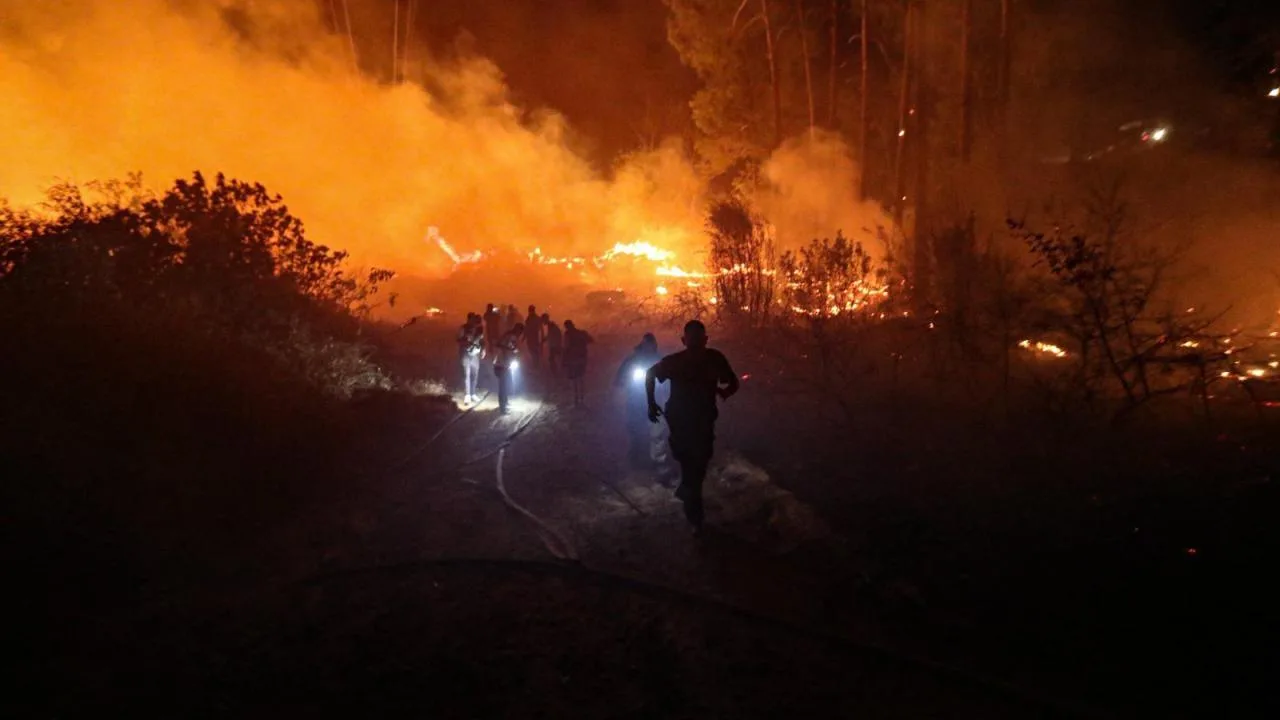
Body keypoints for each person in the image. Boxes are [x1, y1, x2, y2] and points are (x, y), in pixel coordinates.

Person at [646, 320, 739, 535]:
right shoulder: (709, 359)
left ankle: (690, 498)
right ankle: (694, 515)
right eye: (694, 340)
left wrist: (651, 404)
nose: (696, 344)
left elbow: (650, 375)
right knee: (693, 465)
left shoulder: (686, 361)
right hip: (687, 422)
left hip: (696, 421)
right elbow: (733, 383)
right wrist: (724, 392)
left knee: (694, 465)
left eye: (698, 340)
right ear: (686, 341)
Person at [615, 333, 665, 469]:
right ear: (643, 345)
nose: (649, 347)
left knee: (657, 431)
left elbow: (669, 377)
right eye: (646, 345)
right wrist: (620, 382)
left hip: (655, 398)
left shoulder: (659, 359)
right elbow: (620, 376)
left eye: (651, 345)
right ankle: (635, 454)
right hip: (636, 398)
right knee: (634, 427)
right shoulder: (633, 359)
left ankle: (657, 460)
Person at [494, 322, 524, 415]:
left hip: (504, 363)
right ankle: (502, 407)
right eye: (520, 332)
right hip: (502, 364)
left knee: (505, 384)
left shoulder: (508, 335)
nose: (520, 334)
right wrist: (512, 351)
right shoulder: (511, 337)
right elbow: (503, 347)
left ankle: (505, 402)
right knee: (503, 385)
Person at [562, 319, 593, 407]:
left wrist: (564, 360)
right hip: (581, 359)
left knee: (575, 380)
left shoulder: (567, 335)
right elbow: (591, 340)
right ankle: (582, 399)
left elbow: (566, 347)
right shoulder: (581, 333)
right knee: (581, 379)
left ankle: (576, 400)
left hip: (572, 360)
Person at [456, 312, 485, 403]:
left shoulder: (479, 329)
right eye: (472, 319)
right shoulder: (463, 328)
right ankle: (467, 395)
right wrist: (467, 343)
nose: (473, 321)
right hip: (465, 353)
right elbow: (458, 340)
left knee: (475, 374)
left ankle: (473, 394)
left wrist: (483, 349)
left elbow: (482, 341)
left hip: (475, 354)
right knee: (466, 374)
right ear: (468, 319)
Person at [523, 305, 544, 370]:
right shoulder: (529, 318)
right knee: (532, 351)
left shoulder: (535, 318)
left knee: (534, 351)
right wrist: (524, 337)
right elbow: (526, 328)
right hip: (531, 337)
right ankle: (536, 364)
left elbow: (541, 329)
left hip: (535, 337)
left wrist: (542, 338)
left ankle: (536, 364)